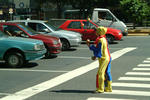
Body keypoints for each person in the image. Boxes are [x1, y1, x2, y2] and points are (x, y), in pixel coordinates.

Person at [86, 26, 112, 93]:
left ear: (99, 32)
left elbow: (98, 50)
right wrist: (95, 55)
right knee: (107, 73)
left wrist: (89, 45)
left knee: (100, 73)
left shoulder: (100, 40)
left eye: (97, 31)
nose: (95, 32)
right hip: (107, 57)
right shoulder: (103, 38)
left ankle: (100, 89)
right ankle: (108, 88)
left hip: (103, 58)